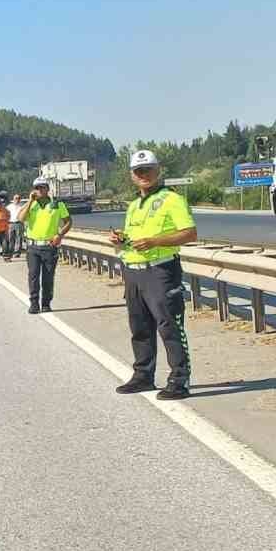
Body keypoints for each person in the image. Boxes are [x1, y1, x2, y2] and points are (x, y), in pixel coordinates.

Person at [110, 150, 198, 400]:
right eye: (138, 171)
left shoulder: (172, 199)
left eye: (148, 169)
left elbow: (190, 233)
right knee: (140, 327)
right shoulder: (133, 205)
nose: (143, 175)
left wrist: (155, 241)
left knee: (170, 326)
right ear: (132, 175)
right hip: (133, 271)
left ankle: (179, 380)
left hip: (160, 271)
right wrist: (121, 239)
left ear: (158, 170)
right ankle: (143, 376)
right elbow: (132, 237)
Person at [19, 177, 71, 313]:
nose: (39, 190)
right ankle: (34, 303)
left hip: (49, 246)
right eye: (37, 188)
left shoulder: (57, 204)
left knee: (48, 277)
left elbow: (68, 221)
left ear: (47, 189)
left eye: (42, 187)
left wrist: (59, 235)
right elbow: (21, 218)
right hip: (33, 246)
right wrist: (30, 201)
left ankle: (46, 303)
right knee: (33, 276)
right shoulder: (31, 205)